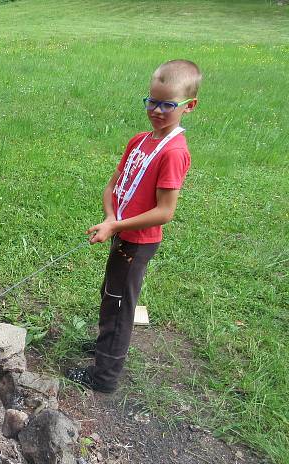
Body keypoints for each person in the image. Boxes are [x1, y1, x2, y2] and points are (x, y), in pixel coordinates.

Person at [66, 59, 201, 393]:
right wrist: (111, 218)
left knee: (121, 304)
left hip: (138, 241)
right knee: (110, 296)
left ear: (189, 107)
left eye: (168, 104)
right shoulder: (140, 141)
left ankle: (104, 377)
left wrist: (119, 225)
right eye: (152, 101)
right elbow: (114, 184)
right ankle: (105, 347)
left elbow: (165, 211)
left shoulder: (174, 152)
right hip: (122, 232)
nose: (157, 110)